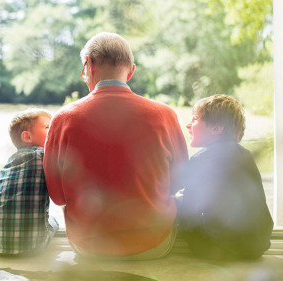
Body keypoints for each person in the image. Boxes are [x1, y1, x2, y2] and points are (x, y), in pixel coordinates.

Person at [43, 32, 188, 259]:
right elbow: (179, 182)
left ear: (88, 65)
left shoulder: (63, 119)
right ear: (131, 71)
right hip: (153, 244)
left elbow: (58, 197)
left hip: (89, 247)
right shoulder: (165, 115)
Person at [176, 94, 273, 260]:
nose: (188, 125)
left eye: (195, 120)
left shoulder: (201, 158)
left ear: (216, 129)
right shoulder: (247, 155)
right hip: (257, 246)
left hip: (216, 249)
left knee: (176, 204)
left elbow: (188, 214)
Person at [0, 108, 59, 255]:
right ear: (27, 137)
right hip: (32, 245)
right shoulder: (44, 155)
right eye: (48, 127)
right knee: (54, 221)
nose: (54, 131)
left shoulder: (9, 163)